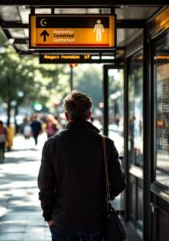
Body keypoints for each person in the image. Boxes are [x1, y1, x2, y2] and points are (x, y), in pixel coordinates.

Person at [38, 91, 126, 241]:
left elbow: (45, 186)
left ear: (66, 116)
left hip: (63, 220)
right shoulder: (105, 144)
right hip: (95, 220)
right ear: (89, 115)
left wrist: (49, 217)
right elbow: (119, 183)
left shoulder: (52, 144)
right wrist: (103, 197)